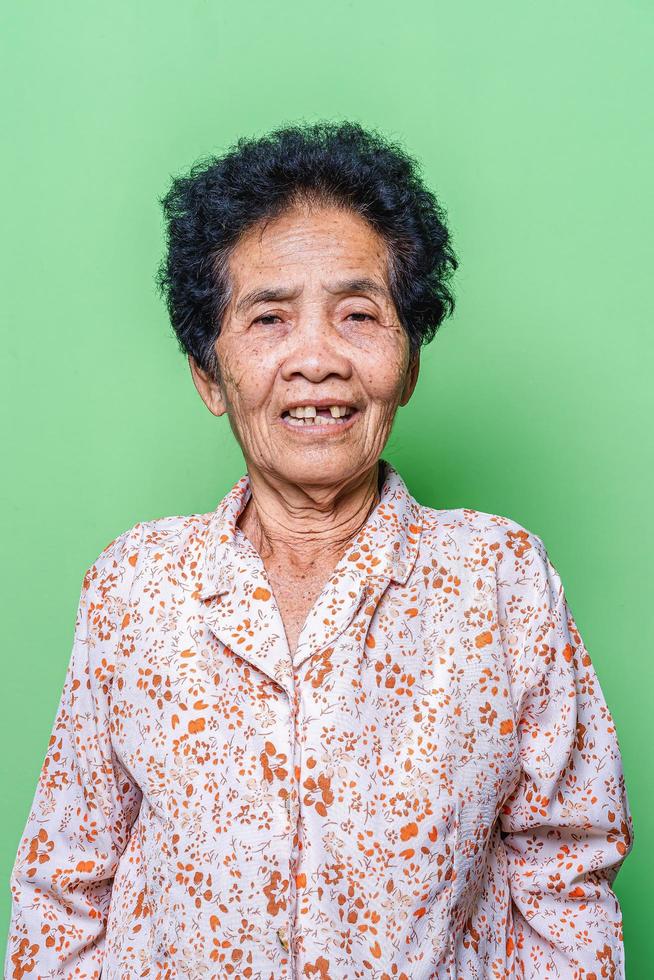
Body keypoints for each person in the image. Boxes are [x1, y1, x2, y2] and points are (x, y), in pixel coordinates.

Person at [5, 121, 632, 979]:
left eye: (359, 314)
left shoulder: (502, 582)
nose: (316, 360)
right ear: (209, 374)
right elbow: (65, 888)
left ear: (407, 362)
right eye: (268, 317)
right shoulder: (134, 589)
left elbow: (565, 878)